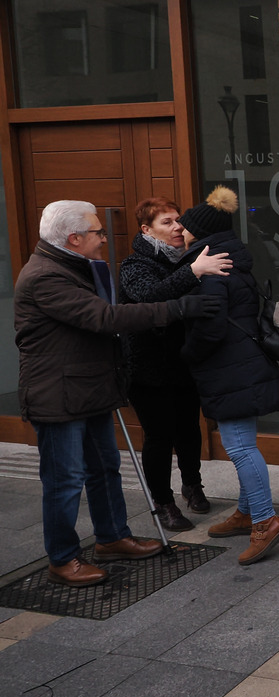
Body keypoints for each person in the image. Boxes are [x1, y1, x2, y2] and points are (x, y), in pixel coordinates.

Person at [14, 200, 220, 587]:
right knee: (65, 480)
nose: (104, 238)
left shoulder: (78, 267)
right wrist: (176, 307)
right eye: (98, 232)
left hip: (89, 388)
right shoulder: (45, 276)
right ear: (74, 238)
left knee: (105, 468)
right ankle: (62, 559)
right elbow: (105, 318)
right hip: (57, 395)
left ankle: (112, 538)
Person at [178, 185, 279, 565]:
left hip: (230, 368)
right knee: (242, 439)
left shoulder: (213, 268)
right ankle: (247, 510)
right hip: (245, 364)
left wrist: (187, 355)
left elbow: (210, 329)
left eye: (187, 226)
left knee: (240, 445)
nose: (181, 229)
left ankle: (264, 520)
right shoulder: (233, 259)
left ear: (203, 232)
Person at [119, 197, 233, 530]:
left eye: (178, 220)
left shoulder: (186, 257)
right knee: (158, 437)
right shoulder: (135, 265)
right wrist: (193, 272)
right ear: (146, 229)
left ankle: (192, 485)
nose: (177, 227)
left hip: (184, 361)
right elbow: (150, 297)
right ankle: (163, 502)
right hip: (147, 369)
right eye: (166, 222)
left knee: (188, 430)